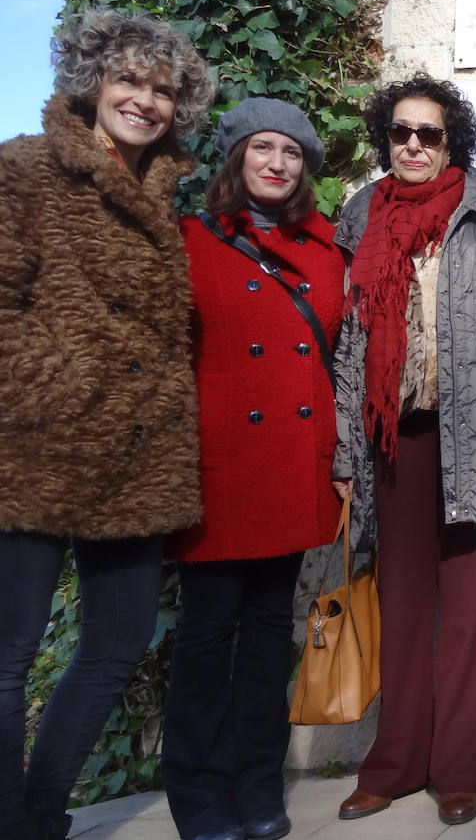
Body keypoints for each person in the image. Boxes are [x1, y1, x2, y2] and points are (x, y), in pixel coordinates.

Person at [0, 10, 214, 840]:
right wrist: (66, 389)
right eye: (130, 80)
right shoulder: (24, 169)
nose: (145, 101)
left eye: (162, 89)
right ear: (92, 82)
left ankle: (40, 810)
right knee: (9, 657)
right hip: (39, 445)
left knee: (115, 643)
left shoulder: (161, 190)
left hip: (136, 451)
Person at [331, 73, 476, 828]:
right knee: (404, 608)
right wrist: (344, 445)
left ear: (453, 142)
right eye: (400, 132)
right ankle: (393, 764)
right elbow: (346, 340)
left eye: (430, 133)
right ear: (385, 138)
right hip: (397, 439)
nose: (413, 144)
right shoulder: (358, 219)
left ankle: (462, 769)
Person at [161, 99, 344, 840]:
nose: (276, 161)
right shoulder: (189, 241)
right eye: (262, 147)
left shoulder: (327, 250)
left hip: (294, 466)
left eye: (292, 152)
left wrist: (339, 461)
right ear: (235, 158)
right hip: (218, 471)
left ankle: (258, 783)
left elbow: (336, 364)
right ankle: (199, 795)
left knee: (271, 631)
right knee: (206, 635)